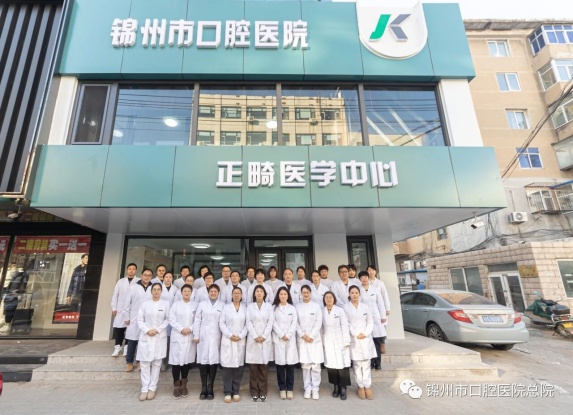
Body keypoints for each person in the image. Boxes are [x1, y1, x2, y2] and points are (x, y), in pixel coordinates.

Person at [136, 282, 170, 401]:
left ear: (161, 291)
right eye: (154, 289)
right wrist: (147, 330)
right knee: (145, 363)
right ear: (151, 291)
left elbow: (167, 319)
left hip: (159, 336)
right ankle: (144, 388)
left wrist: (157, 330)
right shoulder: (145, 304)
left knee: (156, 363)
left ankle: (152, 388)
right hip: (146, 336)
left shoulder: (165, 304)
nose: (156, 291)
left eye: (158, 289)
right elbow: (140, 319)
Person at [344, 286, 377, 400]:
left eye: (356, 293)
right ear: (349, 294)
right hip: (354, 338)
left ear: (359, 294)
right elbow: (346, 323)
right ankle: (360, 386)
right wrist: (355, 334)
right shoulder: (345, 307)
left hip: (365, 338)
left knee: (366, 363)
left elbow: (370, 321)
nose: (354, 295)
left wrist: (365, 333)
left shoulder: (365, 307)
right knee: (357, 364)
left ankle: (367, 386)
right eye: (352, 293)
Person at [193, 284, 224, 400]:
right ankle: (203, 388)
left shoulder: (222, 305)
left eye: (215, 291)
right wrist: (196, 335)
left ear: (218, 293)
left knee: (213, 361)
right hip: (203, 336)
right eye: (211, 291)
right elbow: (197, 320)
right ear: (208, 293)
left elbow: (223, 322)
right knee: (203, 361)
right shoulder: (202, 304)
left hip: (216, 336)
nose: (213, 293)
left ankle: (210, 388)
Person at [219, 286, 248, 403]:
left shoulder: (245, 308)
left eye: (238, 293)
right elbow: (221, 323)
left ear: (241, 296)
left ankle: (236, 391)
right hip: (228, 340)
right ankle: (227, 392)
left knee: (238, 368)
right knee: (227, 368)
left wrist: (240, 336)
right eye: (234, 293)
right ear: (231, 295)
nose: (236, 295)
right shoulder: (226, 308)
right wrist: (230, 335)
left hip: (240, 340)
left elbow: (247, 324)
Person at [246, 285, 274, 402]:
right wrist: (255, 336)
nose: (259, 293)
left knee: (263, 368)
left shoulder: (269, 307)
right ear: (254, 294)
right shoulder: (250, 307)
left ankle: (263, 391)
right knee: (253, 369)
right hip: (253, 340)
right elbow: (248, 322)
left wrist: (264, 336)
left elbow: (270, 322)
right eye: (257, 291)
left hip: (264, 340)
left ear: (264, 294)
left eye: (261, 291)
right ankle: (254, 391)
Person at [169, 284, 197, 400]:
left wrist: (190, 329)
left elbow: (198, 320)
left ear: (191, 293)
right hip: (178, 335)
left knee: (186, 362)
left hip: (189, 336)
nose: (186, 293)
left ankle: (184, 385)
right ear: (181, 293)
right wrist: (181, 329)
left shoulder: (195, 305)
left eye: (188, 291)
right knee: (176, 362)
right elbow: (171, 319)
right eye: (184, 291)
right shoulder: (175, 305)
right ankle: (176, 386)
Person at [296, 285, 324, 400]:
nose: (306, 294)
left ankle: (315, 388)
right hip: (303, 340)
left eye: (307, 292)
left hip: (314, 339)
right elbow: (295, 323)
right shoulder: (297, 307)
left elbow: (319, 322)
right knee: (306, 365)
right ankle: (307, 388)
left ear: (311, 293)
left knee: (316, 365)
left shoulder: (316, 306)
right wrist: (302, 335)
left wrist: (311, 336)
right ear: (301, 294)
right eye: (304, 292)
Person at [322, 291, 351, 400]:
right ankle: (335, 387)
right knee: (331, 366)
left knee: (342, 365)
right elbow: (321, 328)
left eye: (330, 297)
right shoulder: (322, 311)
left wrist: (346, 341)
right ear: (324, 300)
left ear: (334, 299)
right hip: (328, 341)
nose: (329, 299)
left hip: (340, 340)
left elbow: (345, 326)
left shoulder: (340, 310)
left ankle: (343, 387)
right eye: (326, 297)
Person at [123, 268, 153, 371]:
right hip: (134, 318)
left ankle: (140, 361)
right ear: (141, 275)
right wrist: (126, 317)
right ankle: (129, 362)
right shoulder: (133, 288)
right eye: (145, 275)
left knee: (143, 342)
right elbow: (126, 303)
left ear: (151, 277)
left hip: (148, 319)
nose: (147, 277)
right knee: (132, 340)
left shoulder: (153, 288)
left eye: (149, 275)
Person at [272, 287, 299, 400]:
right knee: (280, 365)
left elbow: (294, 323)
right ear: (278, 296)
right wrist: (281, 334)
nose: (283, 296)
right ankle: (282, 388)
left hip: (289, 339)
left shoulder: (292, 308)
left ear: (288, 296)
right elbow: (273, 322)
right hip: (279, 339)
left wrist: (287, 335)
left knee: (290, 366)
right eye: (281, 294)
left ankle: (290, 388)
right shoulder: (274, 308)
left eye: (285, 294)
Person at [358, 271, 387, 371]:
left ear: (368, 278)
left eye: (365, 277)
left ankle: (378, 363)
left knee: (377, 342)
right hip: (364, 319)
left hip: (376, 317)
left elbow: (380, 303)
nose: (364, 279)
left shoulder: (375, 289)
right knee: (367, 342)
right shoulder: (358, 290)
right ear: (360, 279)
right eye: (362, 277)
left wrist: (383, 316)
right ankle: (370, 363)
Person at [111, 263, 140, 357]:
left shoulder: (138, 281)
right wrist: (114, 307)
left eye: (133, 269)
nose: (131, 270)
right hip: (120, 309)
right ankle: (117, 347)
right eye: (130, 269)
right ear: (127, 270)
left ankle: (127, 348)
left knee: (130, 329)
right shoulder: (120, 281)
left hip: (133, 309)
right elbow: (115, 295)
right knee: (119, 329)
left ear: (136, 270)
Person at [367, 265, 390, 355]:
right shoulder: (366, 282)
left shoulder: (380, 283)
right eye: (369, 270)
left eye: (372, 270)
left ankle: (382, 344)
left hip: (380, 308)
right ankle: (374, 345)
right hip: (370, 309)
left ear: (375, 272)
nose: (371, 272)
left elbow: (385, 296)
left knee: (382, 327)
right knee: (372, 329)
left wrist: (387, 308)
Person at [160, 272, 177, 370]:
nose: (168, 278)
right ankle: (162, 362)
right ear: (163, 278)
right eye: (166, 277)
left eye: (170, 277)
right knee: (163, 341)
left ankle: (168, 361)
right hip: (161, 317)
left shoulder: (175, 289)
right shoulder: (159, 288)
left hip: (172, 317)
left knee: (171, 341)